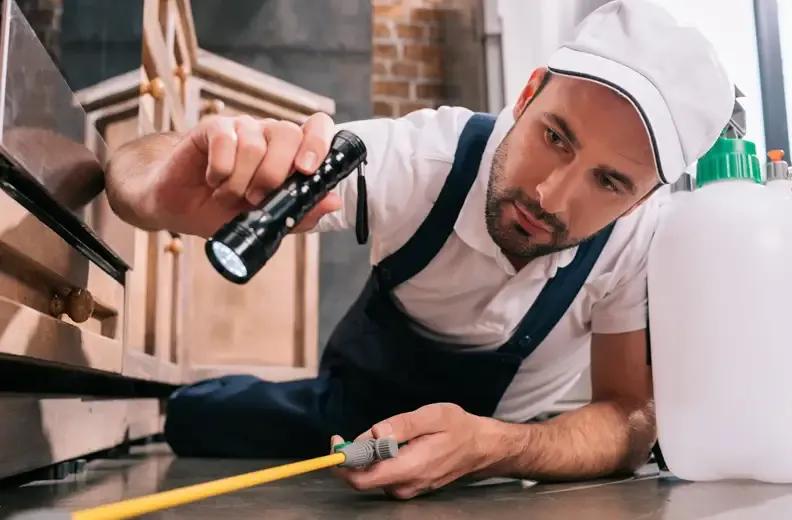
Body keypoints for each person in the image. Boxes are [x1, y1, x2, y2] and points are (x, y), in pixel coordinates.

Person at [104, 0, 735, 500]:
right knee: (194, 418)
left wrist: (495, 447)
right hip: (345, 416)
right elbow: (136, 170)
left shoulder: (640, 242)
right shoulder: (423, 160)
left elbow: (627, 416)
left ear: (647, 195)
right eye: (555, 136)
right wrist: (164, 180)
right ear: (529, 93)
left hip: (502, 454)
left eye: (609, 181)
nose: (550, 196)